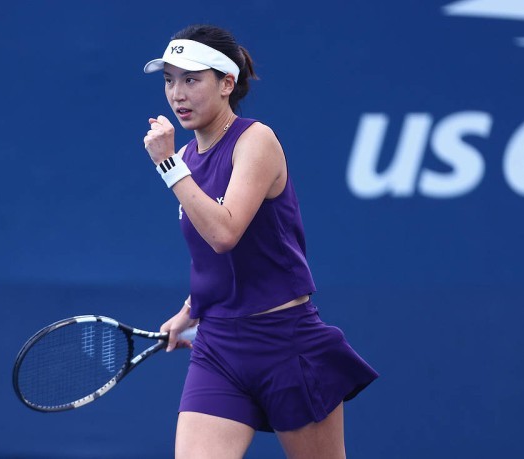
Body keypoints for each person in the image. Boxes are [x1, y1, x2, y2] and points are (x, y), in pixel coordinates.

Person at [142, 24, 378, 459]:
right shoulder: (189, 158)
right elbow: (213, 260)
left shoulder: (255, 141)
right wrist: (190, 310)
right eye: (169, 80)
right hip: (217, 349)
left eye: (191, 80)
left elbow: (225, 234)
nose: (177, 94)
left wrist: (169, 166)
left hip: (285, 344)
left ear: (226, 84)